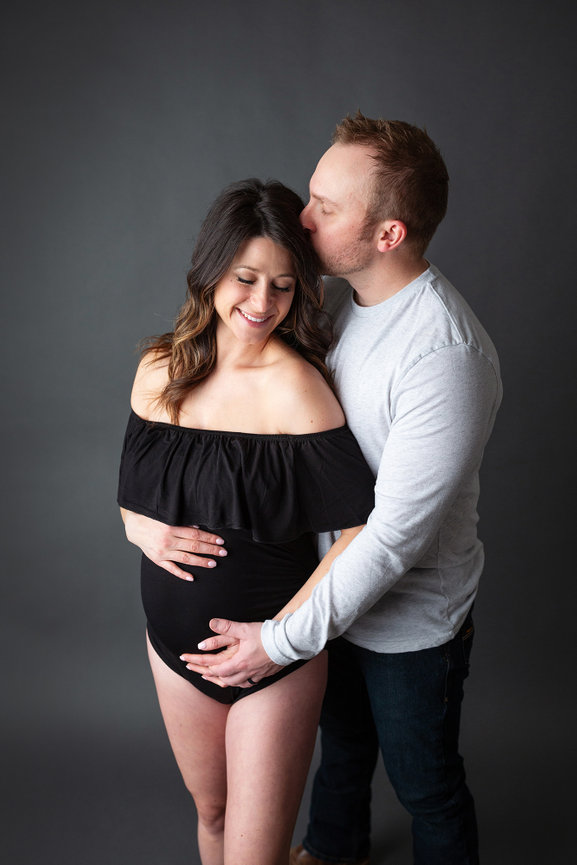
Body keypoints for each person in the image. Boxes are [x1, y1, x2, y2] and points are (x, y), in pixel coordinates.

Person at [126, 113, 503, 865]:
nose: (303, 217)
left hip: (403, 626)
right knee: (340, 765)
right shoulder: (339, 309)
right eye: (311, 193)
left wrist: (278, 639)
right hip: (322, 606)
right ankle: (331, 851)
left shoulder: (443, 357)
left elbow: (390, 536)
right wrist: (142, 524)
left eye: (326, 208)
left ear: (387, 234)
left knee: (424, 786)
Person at [117, 178, 376, 865]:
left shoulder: (297, 388)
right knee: (212, 814)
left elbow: (359, 531)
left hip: (272, 661)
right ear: (211, 270)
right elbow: (133, 498)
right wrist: (135, 528)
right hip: (174, 653)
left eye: (284, 286)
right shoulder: (157, 371)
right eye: (246, 277)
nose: (262, 303)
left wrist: (279, 635)